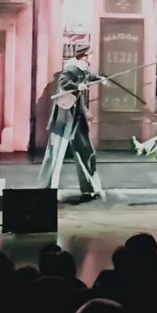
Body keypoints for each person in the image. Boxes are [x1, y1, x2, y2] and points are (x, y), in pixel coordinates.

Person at [39, 45, 106, 199]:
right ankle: (47, 190)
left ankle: (90, 187)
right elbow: (64, 82)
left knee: (86, 151)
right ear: (85, 56)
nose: (92, 57)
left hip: (77, 116)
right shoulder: (71, 68)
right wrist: (76, 86)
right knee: (55, 154)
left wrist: (99, 78)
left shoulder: (82, 68)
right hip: (64, 117)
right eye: (91, 55)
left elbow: (88, 76)